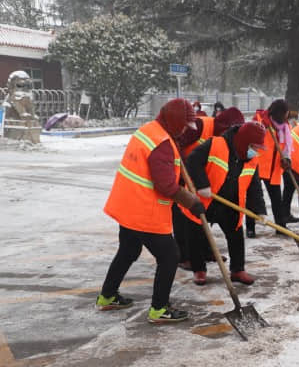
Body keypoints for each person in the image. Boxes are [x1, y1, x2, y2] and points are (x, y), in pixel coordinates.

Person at [96, 98, 204, 324]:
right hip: (144, 210)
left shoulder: (150, 130)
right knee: (169, 256)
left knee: (128, 250)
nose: (185, 129)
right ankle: (159, 309)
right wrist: (192, 201)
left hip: (127, 205)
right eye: (184, 124)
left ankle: (107, 296)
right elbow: (165, 186)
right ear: (175, 121)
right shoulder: (162, 142)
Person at [181, 120, 267, 285]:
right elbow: (192, 160)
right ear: (244, 142)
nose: (256, 151)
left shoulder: (252, 159)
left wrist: (260, 210)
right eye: (254, 147)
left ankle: (237, 269)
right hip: (205, 199)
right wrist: (202, 185)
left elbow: (254, 186)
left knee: (235, 235)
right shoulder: (215, 144)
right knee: (196, 235)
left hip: (230, 203)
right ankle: (199, 270)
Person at [173, 108, 243, 270]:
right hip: (181, 176)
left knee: (202, 217)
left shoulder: (228, 140)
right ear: (221, 125)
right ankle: (184, 256)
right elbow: (176, 143)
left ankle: (206, 251)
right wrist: (185, 171)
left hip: (204, 180)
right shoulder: (200, 125)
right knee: (182, 217)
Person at [251, 99, 292, 233]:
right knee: (253, 198)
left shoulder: (285, 127)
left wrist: (287, 159)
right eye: (285, 113)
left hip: (274, 168)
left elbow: (287, 147)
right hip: (257, 165)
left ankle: (281, 227)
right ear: (279, 112)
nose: (287, 116)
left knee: (276, 199)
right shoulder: (260, 121)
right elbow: (248, 139)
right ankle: (250, 228)